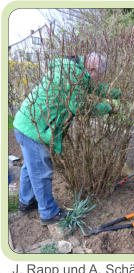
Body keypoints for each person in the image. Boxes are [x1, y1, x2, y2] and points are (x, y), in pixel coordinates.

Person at [13, 52, 120, 225]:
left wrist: (117, 93)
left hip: (27, 124)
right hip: (35, 129)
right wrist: (107, 108)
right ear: (91, 69)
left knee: (30, 167)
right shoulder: (71, 77)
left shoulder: (73, 72)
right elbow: (81, 107)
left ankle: (26, 202)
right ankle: (48, 213)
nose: (96, 81)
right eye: (97, 77)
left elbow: (93, 87)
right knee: (41, 172)